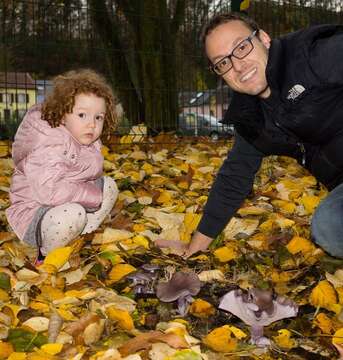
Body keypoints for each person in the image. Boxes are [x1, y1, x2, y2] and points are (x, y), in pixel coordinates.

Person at [179, 12, 343, 258]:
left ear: (264, 39)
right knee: (329, 227)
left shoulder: (311, 55)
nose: (237, 65)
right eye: (223, 62)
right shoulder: (252, 119)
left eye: (241, 47)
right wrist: (194, 248)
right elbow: (233, 178)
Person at [6, 69, 118, 260]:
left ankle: (78, 238)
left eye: (98, 117)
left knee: (109, 186)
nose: (92, 124)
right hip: (34, 214)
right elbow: (50, 192)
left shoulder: (86, 141)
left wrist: (94, 195)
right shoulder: (49, 143)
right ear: (63, 113)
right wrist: (92, 196)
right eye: (82, 115)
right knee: (73, 213)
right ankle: (47, 257)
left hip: (64, 204)